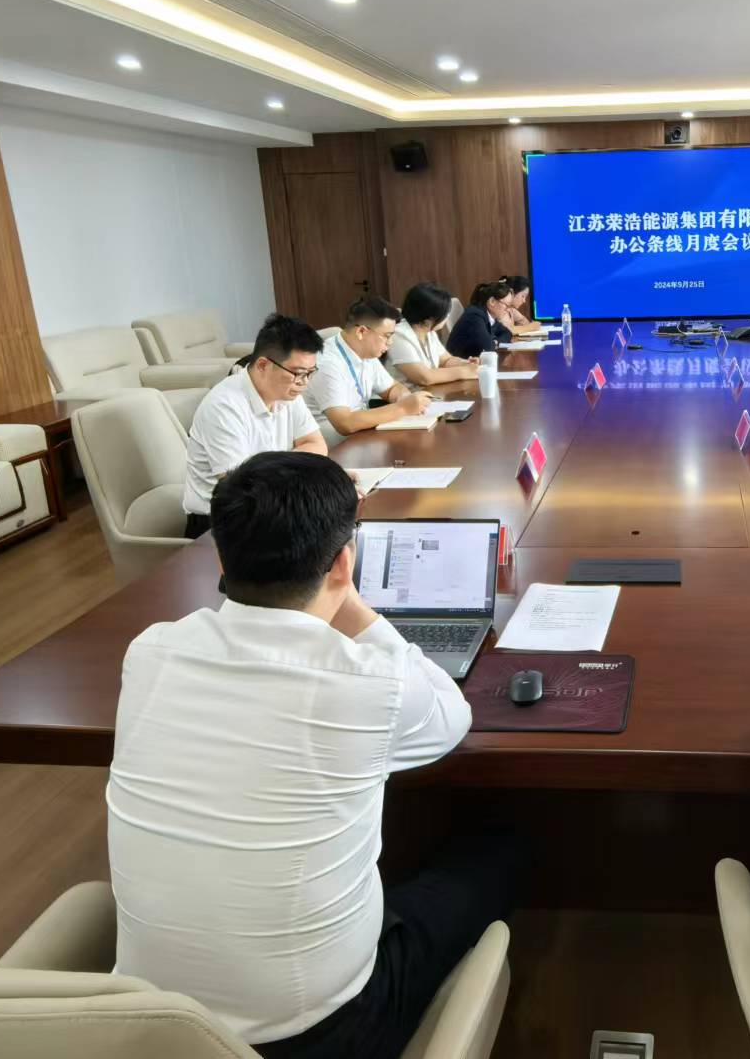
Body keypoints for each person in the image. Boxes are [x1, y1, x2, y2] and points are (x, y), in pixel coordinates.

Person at [108, 452, 519, 1059]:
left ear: (220, 557)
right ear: (344, 562)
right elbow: (451, 718)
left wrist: (333, 584)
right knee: (502, 851)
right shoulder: (370, 683)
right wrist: (350, 601)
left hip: (151, 1027)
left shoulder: (150, 651)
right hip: (318, 1035)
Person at [181, 313, 327, 539]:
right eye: (298, 374)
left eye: (310, 373)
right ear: (262, 365)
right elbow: (242, 488)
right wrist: (305, 474)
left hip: (270, 506)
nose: (304, 383)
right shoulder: (224, 406)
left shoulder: (288, 392)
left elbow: (316, 444)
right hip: (222, 524)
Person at [306, 296, 434, 442]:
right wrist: (403, 408)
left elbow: (391, 388)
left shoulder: (365, 351)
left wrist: (404, 398)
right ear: (361, 331)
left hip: (363, 434)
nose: (390, 342)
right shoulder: (327, 363)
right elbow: (345, 423)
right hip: (335, 444)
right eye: (386, 336)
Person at [385, 283, 479, 388]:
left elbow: (446, 360)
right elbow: (424, 377)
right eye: (446, 314)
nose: (447, 317)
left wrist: (467, 363)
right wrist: (463, 371)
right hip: (405, 395)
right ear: (429, 320)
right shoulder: (398, 335)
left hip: (428, 392)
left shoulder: (428, 332)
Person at [446, 280, 516, 359]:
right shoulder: (474, 316)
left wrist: (495, 342)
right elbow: (488, 347)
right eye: (507, 305)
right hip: (460, 362)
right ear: (492, 301)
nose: (508, 309)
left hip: (475, 359)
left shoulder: (489, 315)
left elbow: (507, 333)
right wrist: (494, 343)